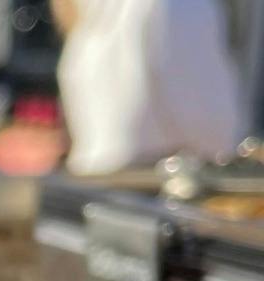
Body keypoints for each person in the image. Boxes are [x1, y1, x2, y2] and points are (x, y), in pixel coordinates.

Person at [55, 0, 243, 174]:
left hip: (98, 182)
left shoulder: (96, 11)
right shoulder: (179, 5)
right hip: (160, 185)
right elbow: (210, 122)